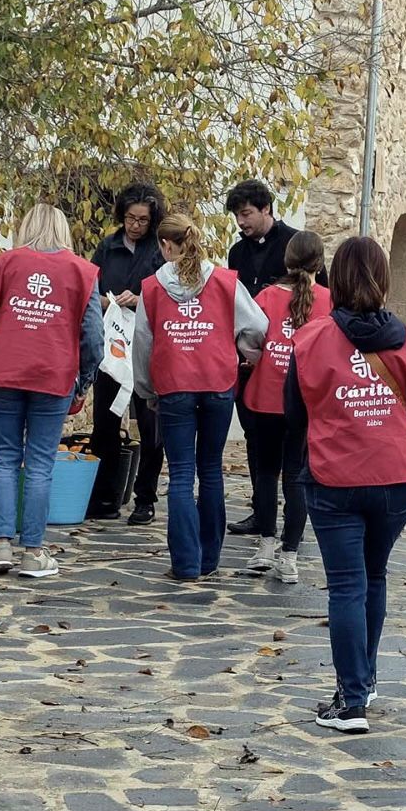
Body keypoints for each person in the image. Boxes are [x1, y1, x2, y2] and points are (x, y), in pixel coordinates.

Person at [287, 236, 406, 734]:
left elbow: (293, 412)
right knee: (374, 576)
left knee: (346, 584)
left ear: (338, 279)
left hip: (334, 476)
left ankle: (351, 703)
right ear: (384, 279)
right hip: (397, 475)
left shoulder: (310, 339)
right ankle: (363, 683)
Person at [0, 204, 103, 579]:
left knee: (6, 457)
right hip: (53, 373)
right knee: (41, 463)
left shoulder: (2, 264)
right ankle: (33, 552)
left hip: (3, 371)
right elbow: (93, 335)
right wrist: (85, 380)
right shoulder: (83, 271)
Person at [133, 213, 267, 581]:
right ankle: (210, 558)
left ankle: (186, 563)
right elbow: (257, 326)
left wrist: (146, 389)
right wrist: (243, 352)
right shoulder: (225, 281)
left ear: (165, 245)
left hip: (173, 384)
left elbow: (143, 343)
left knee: (179, 474)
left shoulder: (152, 287)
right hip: (217, 382)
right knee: (210, 470)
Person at [223, 179, 327, 537]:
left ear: (266, 209)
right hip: (251, 366)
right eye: (238, 215)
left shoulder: (296, 244)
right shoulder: (237, 253)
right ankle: (262, 513)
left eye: (247, 213)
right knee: (257, 444)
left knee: (293, 458)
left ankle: (289, 523)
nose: (242, 221)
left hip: (288, 367)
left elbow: (318, 304)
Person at [241, 231, 332, 583]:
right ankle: (289, 555)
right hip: (307, 399)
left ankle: (265, 546)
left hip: (266, 395)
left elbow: (249, 338)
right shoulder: (328, 300)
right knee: (297, 476)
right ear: (320, 264)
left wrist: (256, 358)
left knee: (266, 472)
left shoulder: (266, 296)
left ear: (287, 261)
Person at [89, 182, 167, 524]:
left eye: (143, 220)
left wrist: (142, 300)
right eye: (131, 218)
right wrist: (106, 301)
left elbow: (170, 292)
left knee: (149, 425)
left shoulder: (159, 249)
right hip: (113, 347)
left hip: (150, 347)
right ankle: (104, 497)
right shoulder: (107, 247)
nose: (135, 226)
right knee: (105, 422)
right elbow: (89, 290)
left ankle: (145, 498)